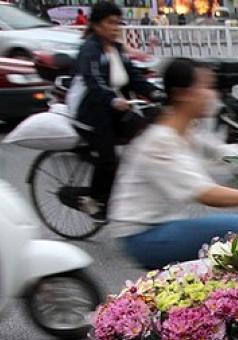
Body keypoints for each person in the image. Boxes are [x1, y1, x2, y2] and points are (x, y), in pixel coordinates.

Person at [109, 58, 238, 270]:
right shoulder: (160, 141)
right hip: (143, 236)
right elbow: (206, 194)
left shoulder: (186, 131)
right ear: (182, 93)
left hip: (165, 224)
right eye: (206, 87)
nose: (212, 95)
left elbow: (224, 152)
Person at [67, 1, 163, 220]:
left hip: (113, 108)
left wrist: (157, 93)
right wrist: (113, 100)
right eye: (110, 23)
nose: (115, 27)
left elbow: (135, 78)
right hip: (90, 111)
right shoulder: (90, 49)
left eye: (118, 23)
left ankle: (132, 183)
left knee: (145, 131)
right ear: (97, 25)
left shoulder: (117, 49)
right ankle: (96, 201)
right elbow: (94, 81)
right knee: (108, 157)